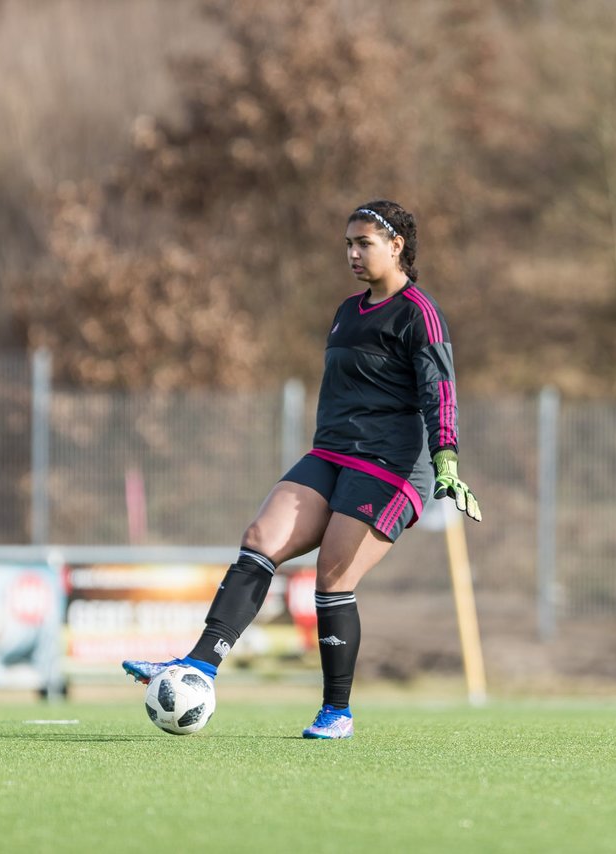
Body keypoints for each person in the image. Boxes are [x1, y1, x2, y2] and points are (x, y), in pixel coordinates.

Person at [123, 200, 482, 738]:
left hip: (392, 468)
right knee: (260, 538)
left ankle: (337, 711)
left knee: (333, 575)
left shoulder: (418, 313)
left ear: (397, 246)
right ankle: (197, 664)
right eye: (347, 244)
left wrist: (447, 458)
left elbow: (440, 391)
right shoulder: (346, 310)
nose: (353, 254)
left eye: (363, 243)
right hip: (331, 453)